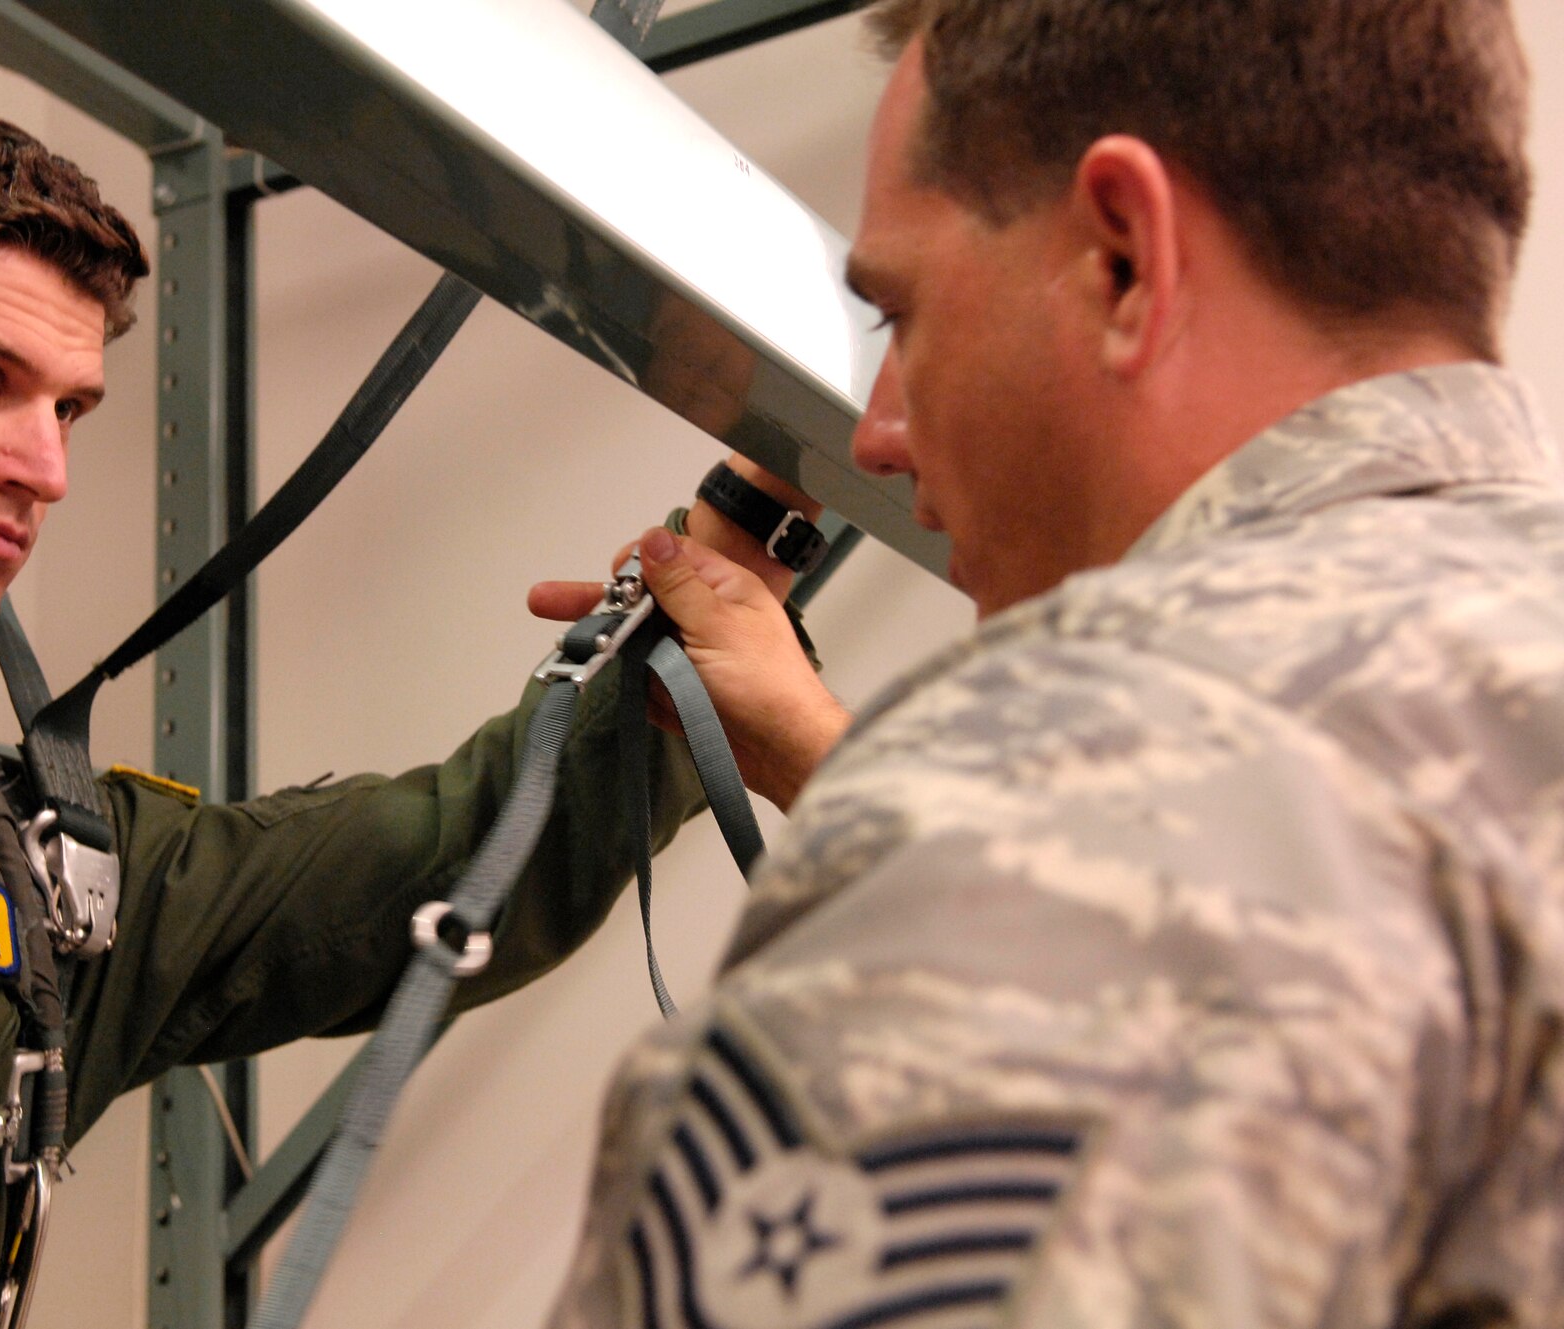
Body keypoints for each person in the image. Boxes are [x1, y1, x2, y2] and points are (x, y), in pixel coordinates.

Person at [0, 10, 827, 1325]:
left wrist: (746, 540)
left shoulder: (47, 878)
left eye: (68, 409)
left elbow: (458, 860)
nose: (40, 466)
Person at [538, 0, 1561, 1324]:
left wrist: (953, 816)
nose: (886, 433)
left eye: (900, 314)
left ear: (1125, 260)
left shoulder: (1075, 771)